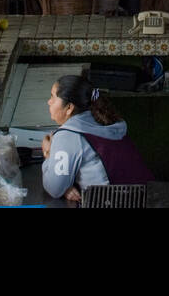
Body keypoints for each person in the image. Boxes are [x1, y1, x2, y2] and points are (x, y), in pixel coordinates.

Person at [41, 73, 153, 203]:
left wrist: (48, 154)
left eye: (53, 98)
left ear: (69, 108)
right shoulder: (107, 119)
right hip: (145, 198)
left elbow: (55, 188)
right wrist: (66, 187)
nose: (49, 102)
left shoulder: (68, 136)